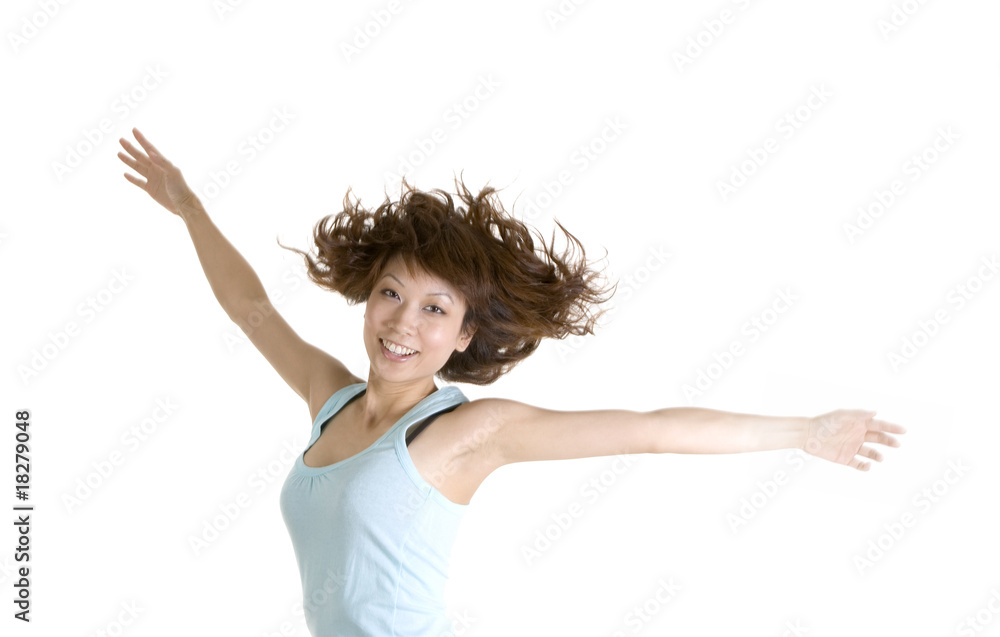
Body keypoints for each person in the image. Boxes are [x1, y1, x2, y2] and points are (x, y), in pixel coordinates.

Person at [118, 127, 906, 636]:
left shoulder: (469, 431)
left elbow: (651, 428)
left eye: (435, 308)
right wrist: (190, 208)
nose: (402, 322)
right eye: (391, 293)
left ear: (463, 335)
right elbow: (251, 310)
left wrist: (804, 431)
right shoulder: (334, 400)